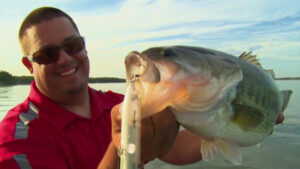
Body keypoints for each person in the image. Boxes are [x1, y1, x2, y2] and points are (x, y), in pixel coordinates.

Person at [0, 6, 203, 169]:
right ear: (28, 65)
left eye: (73, 45)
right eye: (47, 54)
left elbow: (176, 149)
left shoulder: (117, 104)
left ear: (84, 46)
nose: (65, 59)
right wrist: (121, 146)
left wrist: (229, 126)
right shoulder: (16, 139)